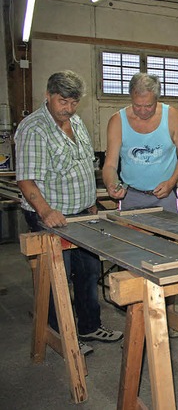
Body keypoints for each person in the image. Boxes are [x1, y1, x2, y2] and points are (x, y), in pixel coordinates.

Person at [15, 70, 123, 355]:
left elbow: (84, 165)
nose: (69, 108)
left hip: (82, 213)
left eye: (74, 102)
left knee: (88, 272)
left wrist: (91, 201)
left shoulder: (75, 122)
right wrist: (46, 211)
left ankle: (89, 326)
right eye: (63, 101)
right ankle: (59, 333)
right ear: (48, 96)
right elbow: (26, 179)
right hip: (52, 216)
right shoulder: (34, 128)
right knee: (57, 278)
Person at [102, 73, 178, 212]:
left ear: (157, 99)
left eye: (149, 106)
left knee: (170, 233)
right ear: (131, 96)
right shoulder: (117, 121)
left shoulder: (171, 116)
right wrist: (111, 184)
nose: (142, 111)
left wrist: (172, 181)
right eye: (137, 105)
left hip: (165, 196)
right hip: (130, 196)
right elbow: (110, 165)